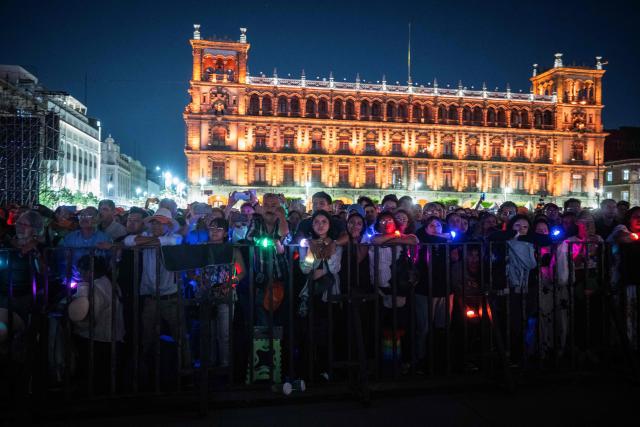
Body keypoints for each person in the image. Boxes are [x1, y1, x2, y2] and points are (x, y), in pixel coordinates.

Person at [123, 208, 190, 368]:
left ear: (168, 225)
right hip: (151, 297)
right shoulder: (148, 237)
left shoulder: (175, 237)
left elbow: (171, 241)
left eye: (160, 223)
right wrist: (152, 241)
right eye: (154, 222)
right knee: (147, 336)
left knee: (179, 334)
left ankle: (186, 369)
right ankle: (147, 370)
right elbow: (129, 241)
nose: (156, 226)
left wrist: (148, 242)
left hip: (170, 296)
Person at [190, 217, 246, 367]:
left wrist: (230, 282)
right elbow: (190, 269)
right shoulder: (200, 247)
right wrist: (196, 278)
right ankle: (208, 364)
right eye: (212, 228)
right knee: (207, 332)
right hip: (204, 294)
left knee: (224, 333)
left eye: (219, 229)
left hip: (225, 294)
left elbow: (241, 272)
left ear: (225, 232)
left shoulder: (232, 249)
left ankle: (225, 365)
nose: (214, 232)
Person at [68, 255, 125, 393]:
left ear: (89, 271)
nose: (79, 274)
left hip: (99, 341)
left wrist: (72, 319)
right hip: (111, 339)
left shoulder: (97, 288)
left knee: (97, 380)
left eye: (81, 271)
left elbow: (87, 321)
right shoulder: (108, 282)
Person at [298, 210, 343, 380]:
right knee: (310, 332)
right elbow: (305, 268)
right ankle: (310, 369)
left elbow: (335, 267)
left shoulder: (336, 244)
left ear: (329, 225)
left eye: (324, 221)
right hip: (312, 292)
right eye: (316, 221)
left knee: (327, 332)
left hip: (329, 293)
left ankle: (326, 368)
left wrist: (328, 250)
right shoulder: (306, 244)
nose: (320, 224)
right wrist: (311, 250)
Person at [0, 210, 45, 346]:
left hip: (27, 297)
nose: (19, 226)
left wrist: (34, 249)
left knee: (23, 334)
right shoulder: (7, 244)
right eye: (18, 223)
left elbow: (45, 270)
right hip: (4, 294)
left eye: (24, 224)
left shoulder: (39, 247)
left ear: (34, 228)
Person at [61, 207, 112, 283]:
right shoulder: (70, 238)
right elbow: (61, 259)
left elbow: (110, 262)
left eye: (89, 215)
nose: (84, 218)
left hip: (97, 282)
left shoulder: (104, 238)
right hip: (73, 281)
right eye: (81, 216)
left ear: (97, 219)